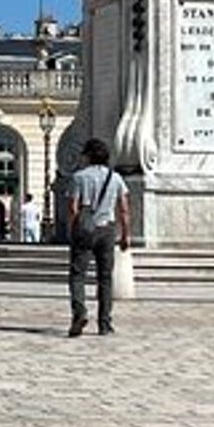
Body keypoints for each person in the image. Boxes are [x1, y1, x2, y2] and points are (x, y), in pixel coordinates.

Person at [66, 138, 131, 337]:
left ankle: (79, 312)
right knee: (105, 278)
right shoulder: (116, 178)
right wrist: (125, 235)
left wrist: (74, 229)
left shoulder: (79, 177)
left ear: (88, 156)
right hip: (107, 230)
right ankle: (105, 324)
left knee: (78, 275)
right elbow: (124, 210)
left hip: (85, 229)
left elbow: (72, 207)